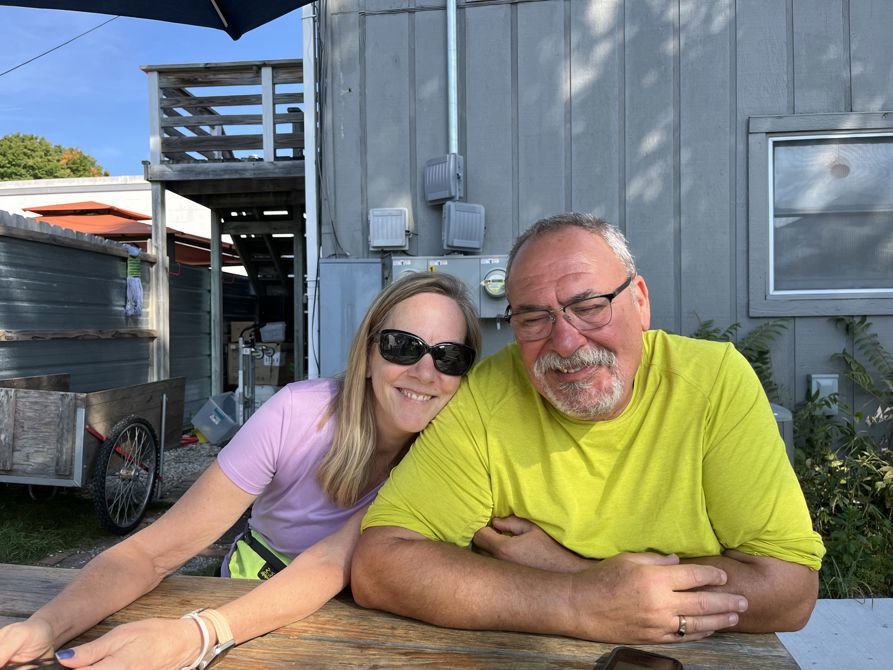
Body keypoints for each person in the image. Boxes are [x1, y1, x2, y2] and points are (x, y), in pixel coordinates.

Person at [352, 213, 825, 644]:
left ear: (639, 301)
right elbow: (380, 565)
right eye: (534, 318)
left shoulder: (713, 380)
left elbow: (788, 589)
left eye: (590, 306)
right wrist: (577, 602)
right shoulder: (486, 396)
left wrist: (575, 571)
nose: (565, 340)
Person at [0, 272, 481, 670]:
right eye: (403, 345)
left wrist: (196, 636)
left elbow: (332, 563)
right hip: (252, 588)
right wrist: (46, 626)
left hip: (363, 621)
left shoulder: (453, 450)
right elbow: (151, 552)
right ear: (369, 354)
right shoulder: (296, 413)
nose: (425, 371)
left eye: (449, 356)